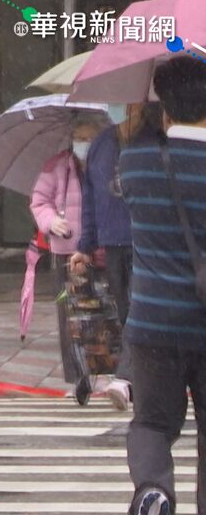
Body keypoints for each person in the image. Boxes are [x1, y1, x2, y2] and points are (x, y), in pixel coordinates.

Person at [117, 56, 206, 515]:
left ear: (164, 104)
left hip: (152, 321)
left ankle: (154, 491)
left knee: (152, 423)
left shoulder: (136, 161)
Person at [71, 102, 165, 411]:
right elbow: (91, 198)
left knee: (139, 311)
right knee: (126, 314)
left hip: (146, 242)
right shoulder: (101, 145)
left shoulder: (155, 142)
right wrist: (85, 245)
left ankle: (124, 379)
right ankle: (142, 379)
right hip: (112, 243)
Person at [30, 113, 108, 402]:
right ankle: (78, 378)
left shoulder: (108, 164)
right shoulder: (58, 166)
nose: (84, 144)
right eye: (80, 138)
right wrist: (51, 222)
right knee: (72, 316)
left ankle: (111, 372)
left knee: (105, 312)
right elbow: (39, 201)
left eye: (90, 138)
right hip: (67, 251)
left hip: (103, 251)